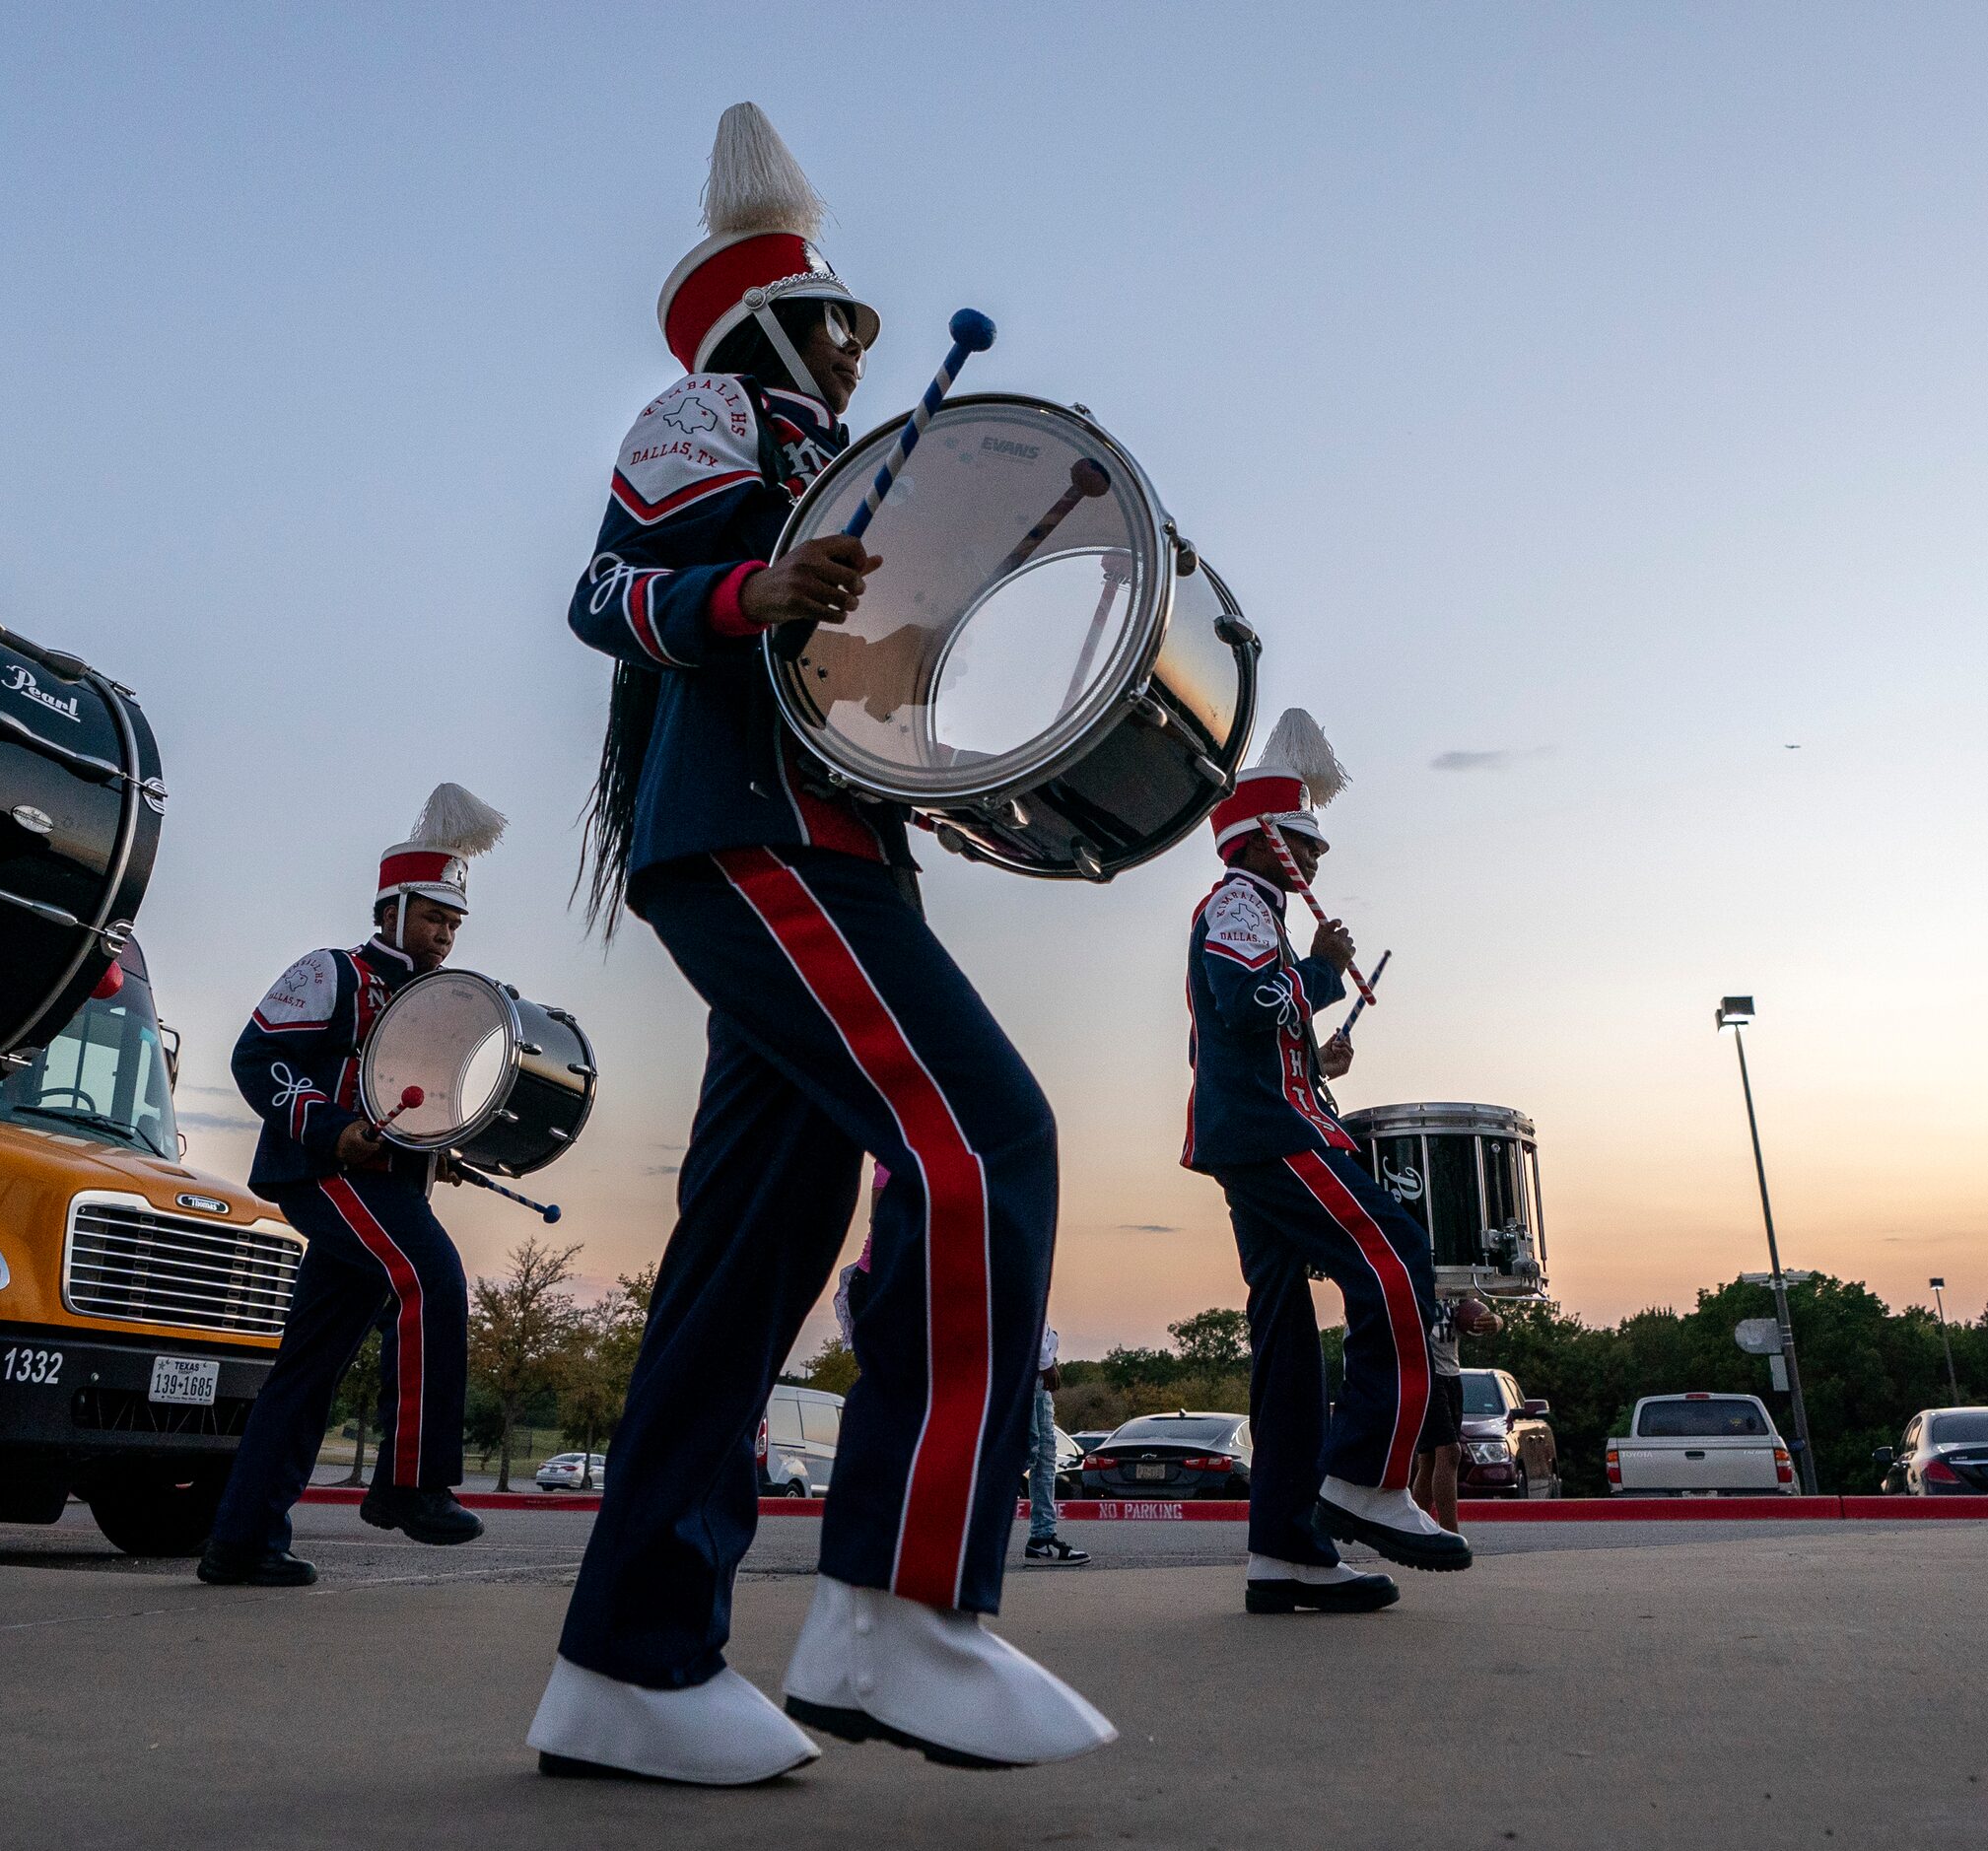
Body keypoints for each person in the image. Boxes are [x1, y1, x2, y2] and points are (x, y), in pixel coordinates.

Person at [528, 103, 1112, 1786]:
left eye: (863, 327)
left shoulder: (825, 462)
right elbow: (609, 593)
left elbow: (860, 686)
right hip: (759, 848)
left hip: (817, 848)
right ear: (767, 322)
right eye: (838, 323)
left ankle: (628, 1663)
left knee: (746, 1265)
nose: (859, 348)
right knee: (980, 1140)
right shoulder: (714, 406)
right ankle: (899, 1607)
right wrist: (751, 598)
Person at [1182, 710, 1468, 1618]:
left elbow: (1263, 1026)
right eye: (1303, 840)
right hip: (1272, 1134)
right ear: (1261, 841)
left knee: (1286, 1351)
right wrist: (1317, 967)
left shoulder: (1252, 906)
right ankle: (1364, 1475)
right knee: (1393, 1259)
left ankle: (1285, 1555)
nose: (1316, 856)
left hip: (1257, 1125)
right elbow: (1243, 999)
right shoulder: (1236, 900)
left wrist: (1316, 1044)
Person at [197, 784, 504, 1587]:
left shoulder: (436, 1003)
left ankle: (240, 1540)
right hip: (326, 1173)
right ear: (392, 907)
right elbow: (257, 1060)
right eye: (434, 917)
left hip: (388, 1185)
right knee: (429, 1278)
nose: (445, 934)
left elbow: (417, 1105)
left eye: (453, 923)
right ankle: (410, 1485)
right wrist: (332, 1127)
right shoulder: (329, 971)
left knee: (309, 1367)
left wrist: (440, 1151)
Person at [1412, 1295, 1500, 1534]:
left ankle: (1415, 1529)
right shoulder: (1416, 1278)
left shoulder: (1451, 1281)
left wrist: (1495, 1321)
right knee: (1450, 1451)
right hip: (1426, 1373)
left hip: (1451, 1373)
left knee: (1429, 1458)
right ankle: (1450, 1531)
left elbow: (1477, 1311)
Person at [1023, 1327, 1089, 1566]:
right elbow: (1028, 1318)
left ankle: (1042, 1539)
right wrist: (1044, 1361)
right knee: (1024, 1455)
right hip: (1025, 1373)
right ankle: (970, 1537)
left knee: (1043, 1459)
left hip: (1036, 1379)